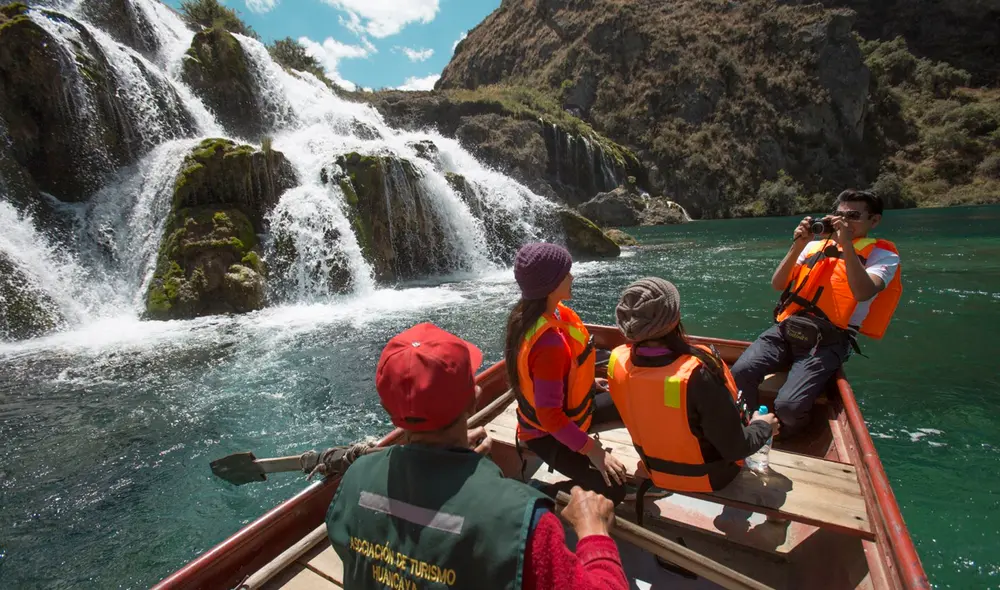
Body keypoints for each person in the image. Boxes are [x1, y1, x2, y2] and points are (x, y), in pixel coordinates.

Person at [326, 322, 629, 590]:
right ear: (474, 399)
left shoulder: (354, 480)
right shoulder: (525, 520)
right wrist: (594, 532)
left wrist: (450, 460)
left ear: (391, 412)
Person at [731, 189, 903, 436]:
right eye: (839, 214)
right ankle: (748, 430)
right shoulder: (814, 246)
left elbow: (864, 292)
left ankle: (798, 432)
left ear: (873, 221)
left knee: (788, 407)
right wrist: (797, 244)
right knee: (740, 372)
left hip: (829, 339)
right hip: (789, 327)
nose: (843, 221)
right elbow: (778, 284)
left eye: (853, 215)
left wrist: (846, 246)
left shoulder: (883, 256)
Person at [607, 277, 780, 496]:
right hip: (711, 477)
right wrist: (763, 426)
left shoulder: (618, 360)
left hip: (656, 469)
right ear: (675, 318)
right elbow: (735, 449)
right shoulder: (698, 374)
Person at [504, 242, 629, 505]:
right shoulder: (548, 344)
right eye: (566, 273)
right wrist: (593, 450)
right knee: (614, 491)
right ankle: (534, 493)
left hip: (572, 412)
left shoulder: (542, 314)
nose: (572, 277)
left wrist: (588, 383)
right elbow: (549, 418)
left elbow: (559, 376)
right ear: (550, 285)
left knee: (631, 398)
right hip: (544, 434)